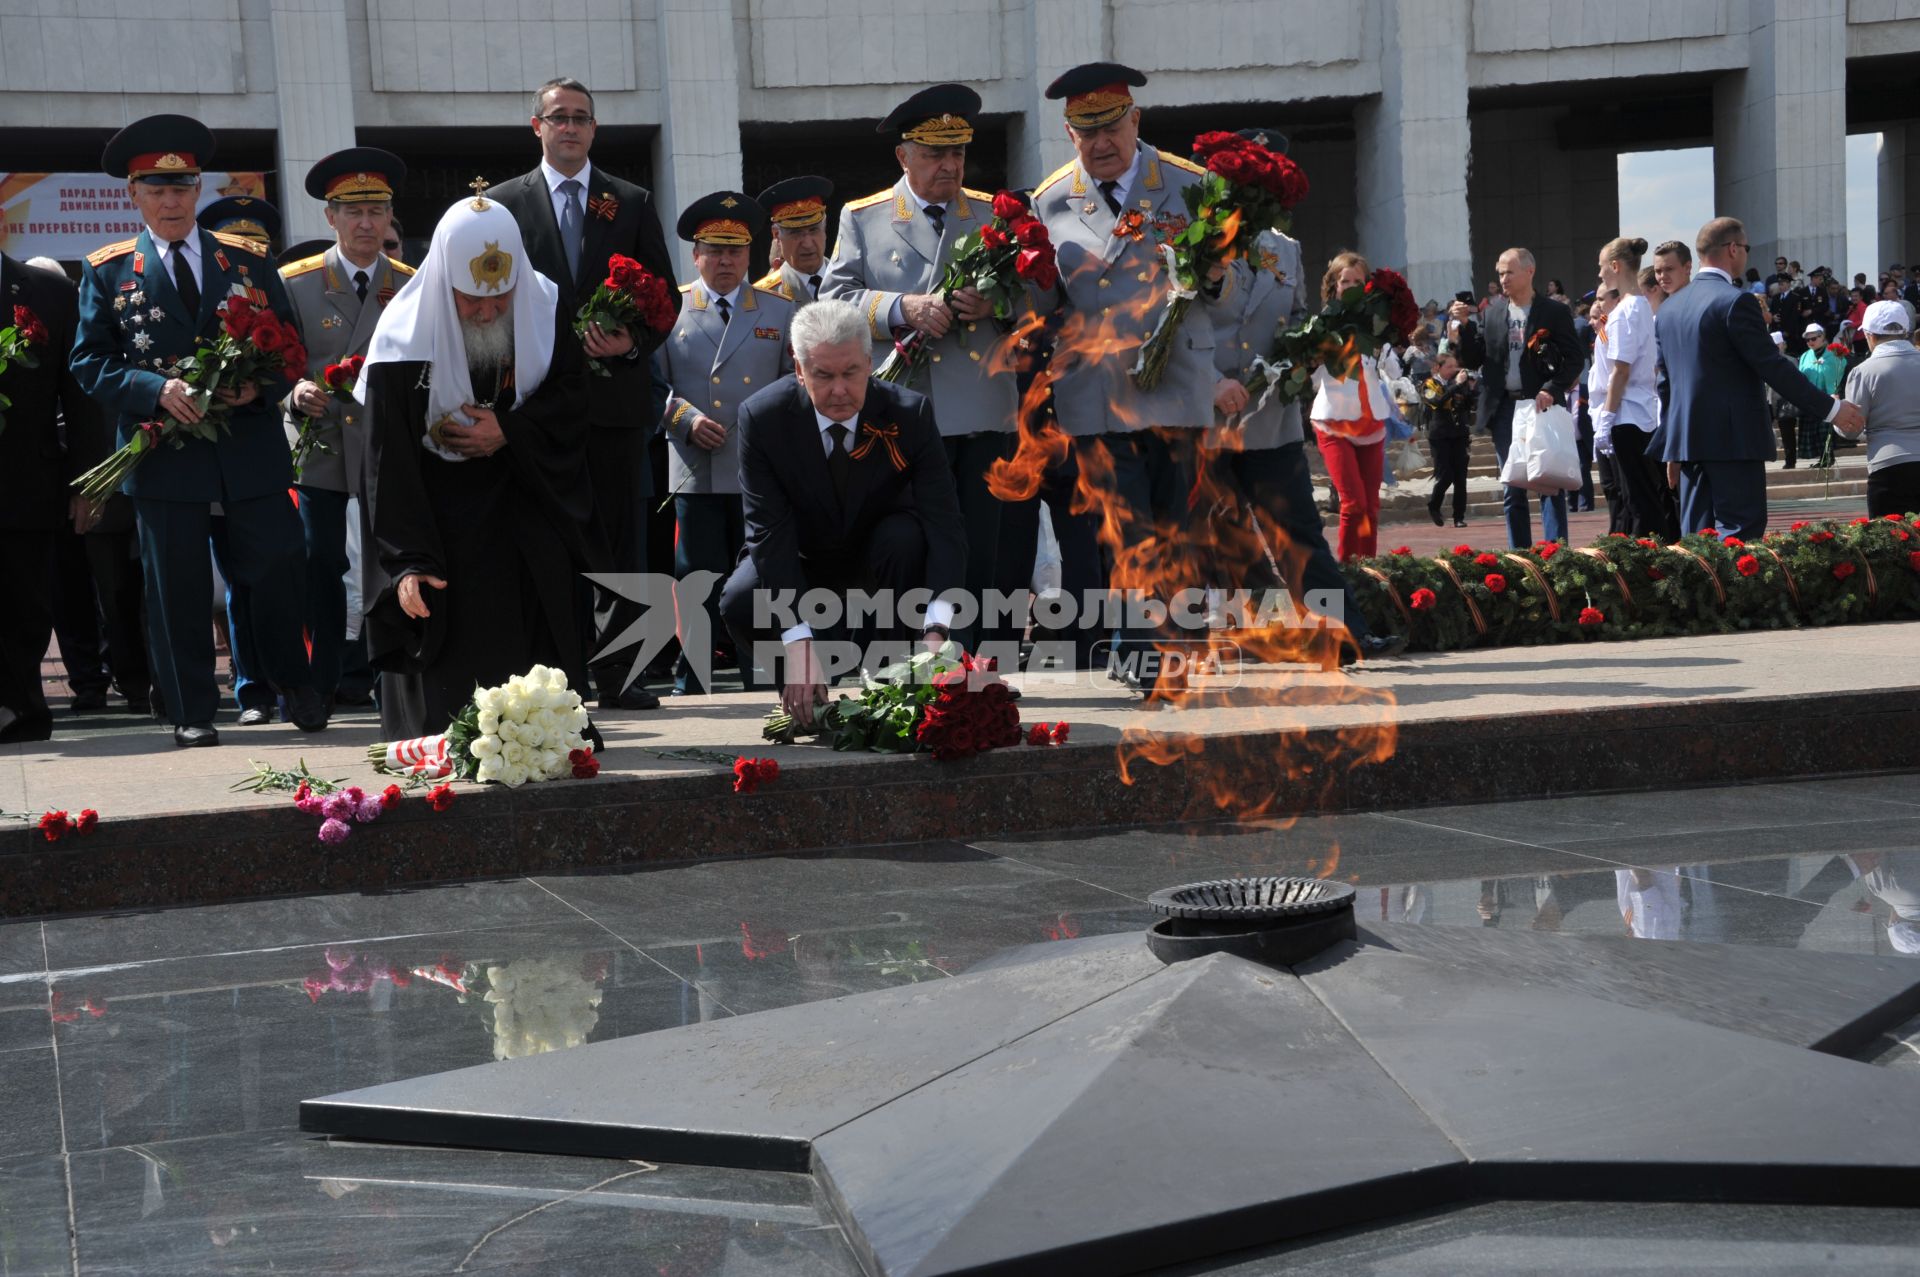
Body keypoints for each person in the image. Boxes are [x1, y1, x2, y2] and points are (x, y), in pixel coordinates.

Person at [71, 114, 325, 748]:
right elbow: (88, 361)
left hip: (249, 447)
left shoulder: (245, 261)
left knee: (277, 568)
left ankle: (292, 682)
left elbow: (289, 350)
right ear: (133, 194)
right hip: (163, 451)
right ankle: (191, 707)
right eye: (155, 189)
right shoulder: (107, 272)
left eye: (181, 187)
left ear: (198, 190)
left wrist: (256, 388)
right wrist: (154, 389)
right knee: (176, 588)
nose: (170, 200)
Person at [1031, 61, 1234, 693]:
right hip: (1097, 391)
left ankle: (1156, 647)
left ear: (1135, 120)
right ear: (1070, 136)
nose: (1101, 144)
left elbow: (1227, 296)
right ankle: (1144, 657)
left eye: (1111, 127)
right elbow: (1044, 303)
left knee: (1176, 526)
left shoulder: (1190, 184)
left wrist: (1214, 275)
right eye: (1086, 133)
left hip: (1175, 384)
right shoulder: (1049, 199)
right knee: (1126, 528)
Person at [357, 190, 590, 739]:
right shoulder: (402, 337)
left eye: (500, 300)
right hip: (436, 514)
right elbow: (384, 464)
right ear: (443, 284)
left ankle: (544, 732)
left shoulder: (545, 306)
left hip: (521, 493)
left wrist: (508, 430)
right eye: (471, 301)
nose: (488, 312)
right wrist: (406, 561)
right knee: (452, 703)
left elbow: (573, 405)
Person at [488, 76, 679, 712]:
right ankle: (554, 679)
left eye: (581, 118)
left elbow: (666, 298)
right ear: (536, 126)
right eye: (558, 117)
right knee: (548, 541)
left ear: (594, 129)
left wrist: (629, 343)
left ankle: (622, 675)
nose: (569, 127)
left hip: (612, 404)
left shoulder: (628, 201)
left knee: (620, 543)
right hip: (536, 409)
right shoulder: (501, 205)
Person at [821, 84, 1031, 657]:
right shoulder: (864, 218)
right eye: (936, 154)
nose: (949, 165)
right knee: (907, 539)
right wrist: (900, 308)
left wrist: (998, 304)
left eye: (958, 153)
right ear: (903, 157)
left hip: (981, 405)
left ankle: (966, 659)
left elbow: (1043, 300)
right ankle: (900, 654)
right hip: (903, 408)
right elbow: (833, 298)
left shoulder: (993, 214)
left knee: (978, 544)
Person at [718, 299, 967, 722]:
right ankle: (804, 689)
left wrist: (936, 631)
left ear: (869, 363)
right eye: (823, 375)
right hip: (799, 556)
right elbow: (768, 535)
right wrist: (797, 640)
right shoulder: (762, 418)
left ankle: (895, 688)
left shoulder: (910, 414)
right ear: (798, 370)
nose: (839, 390)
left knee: (906, 540)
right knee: (741, 598)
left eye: (851, 373)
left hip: (882, 558)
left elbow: (945, 526)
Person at [1204, 130, 1401, 662]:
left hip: (1269, 419)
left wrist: (1307, 349)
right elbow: (1178, 323)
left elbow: (1292, 318)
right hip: (1207, 416)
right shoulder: (1198, 239)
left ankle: (1346, 635)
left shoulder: (1284, 247)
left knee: (1300, 533)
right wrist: (1207, 383)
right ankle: (1262, 635)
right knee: (1229, 537)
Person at [279, 148, 414, 715]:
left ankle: (396, 681)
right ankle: (320, 683)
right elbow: (273, 365)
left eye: (377, 211)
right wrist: (293, 392)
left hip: (388, 450)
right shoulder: (296, 283)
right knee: (321, 567)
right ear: (330, 217)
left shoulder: (411, 283)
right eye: (352, 212)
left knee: (394, 566)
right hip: (322, 449)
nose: (366, 224)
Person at [657, 191, 797, 694]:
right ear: (696, 255)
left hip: (755, 468)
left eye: (735, 251)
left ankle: (756, 667)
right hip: (695, 462)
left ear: (750, 256)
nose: (724, 261)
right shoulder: (669, 308)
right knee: (695, 575)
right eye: (714, 251)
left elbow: (793, 384)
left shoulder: (780, 312)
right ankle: (691, 673)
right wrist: (686, 419)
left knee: (758, 572)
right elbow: (656, 387)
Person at [1652, 217, 1862, 539]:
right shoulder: (1736, 302)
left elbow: (1665, 384)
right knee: (1740, 539)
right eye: (1746, 248)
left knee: (1695, 544)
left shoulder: (1668, 309)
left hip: (1688, 443)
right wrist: (1831, 410)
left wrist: (1671, 448)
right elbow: (1773, 367)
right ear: (1733, 249)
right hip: (1734, 441)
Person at [0, 254, 104, 742]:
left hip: (25, 478)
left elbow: (80, 396)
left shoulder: (50, 291)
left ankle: (22, 707)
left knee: (26, 602)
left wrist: (87, 482)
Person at [1455, 246, 1582, 546]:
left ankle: (1555, 551)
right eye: (1500, 272)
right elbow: (1474, 360)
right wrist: (1464, 327)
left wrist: (1552, 387)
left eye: (1510, 271)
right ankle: (1520, 555)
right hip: (1505, 410)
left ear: (1529, 271)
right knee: (1513, 485)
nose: (1503, 278)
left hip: (1541, 406)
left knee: (1549, 482)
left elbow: (1574, 359)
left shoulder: (1554, 312)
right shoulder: (1493, 312)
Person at [1308, 252, 1397, 560]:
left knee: (1371, 506)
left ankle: (1369, 572)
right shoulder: (1320, 325)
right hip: (1333, 423)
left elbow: (1393, 371)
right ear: (1334, 285)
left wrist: (1390, 337)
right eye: (1345, 281)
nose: (1351, 286)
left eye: (1358, 281)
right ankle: (1347, 574)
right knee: (1353, 503)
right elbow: (1310, 376)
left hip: (1371, 422)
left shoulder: (1378, 326)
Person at [1592, 237, 1676, 539]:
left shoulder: (1623, 312)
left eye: (1602, 267)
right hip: (1642, 410)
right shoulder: (1640, 307)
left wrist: (1606, 417)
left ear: (1615, 266)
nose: (1600, 273)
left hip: (1627, 413)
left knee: (1637, 498)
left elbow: (1621, 370)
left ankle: (1649, 561)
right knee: (1643, 495)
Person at [1834, 300, 1920, 518]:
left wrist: (1836, 412)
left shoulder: (1864, 371)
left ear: (1870, 335)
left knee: (1891, 544)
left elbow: (1851, 430)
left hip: (1889, 464)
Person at [1419, 349, 1476, 529]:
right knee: (1445, 475)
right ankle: (1434, 505)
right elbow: (1437, 402)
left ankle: (1459, 516)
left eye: (1455, 366)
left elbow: (1467, 406)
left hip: (1459, 435)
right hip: (1440, 436)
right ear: (1438, 367)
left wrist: (1470, 389)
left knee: (1460, 477)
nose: (1453, 370)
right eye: (1449, 366)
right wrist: (1457, 386)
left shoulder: (1457, 384)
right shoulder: (1428, 384)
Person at [753, 175, 832, 305]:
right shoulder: (763, 298)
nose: (807, 244)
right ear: (777, 235)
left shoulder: (850, 281)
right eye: (796, 233)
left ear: (824, 230)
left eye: (813, 230)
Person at [1795, 321, 1848, 468]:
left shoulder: (1834, 353)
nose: (1810, 342)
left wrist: (1835, 392)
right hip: (1811, 398)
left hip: (1828, 397)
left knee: (1825, 430)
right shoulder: (1805, 356)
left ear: (1822, 337)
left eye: (1814, 338)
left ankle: (1828, 457)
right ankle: (1822, 458)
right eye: (1807, 340)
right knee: (1815, 431)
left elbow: (1840, 370)